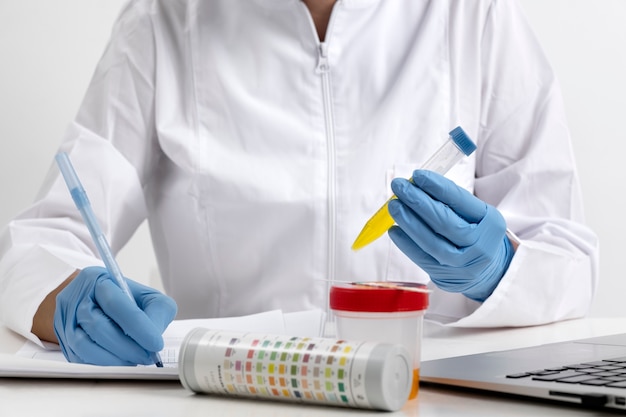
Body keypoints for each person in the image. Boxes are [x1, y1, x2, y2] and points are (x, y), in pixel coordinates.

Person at [0, 0, 599, 366]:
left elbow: (567, 258)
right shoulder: (166, 21)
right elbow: (38, 243)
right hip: (223, 390)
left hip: (424, 392)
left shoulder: (474, 15)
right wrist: (70, 303)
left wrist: (501, 269)